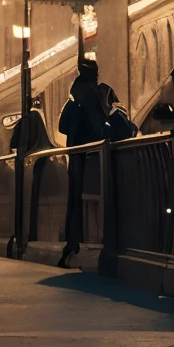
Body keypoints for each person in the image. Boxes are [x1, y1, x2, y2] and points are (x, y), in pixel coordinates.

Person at [56, 53, 116, 268]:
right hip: (96, 153)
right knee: (101, 199)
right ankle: (99, 244)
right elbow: (102, 124)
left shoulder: (74, 97)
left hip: (76, 153)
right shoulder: (100, 94)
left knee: (76, 199)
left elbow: (62, 127)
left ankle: (72, 245)